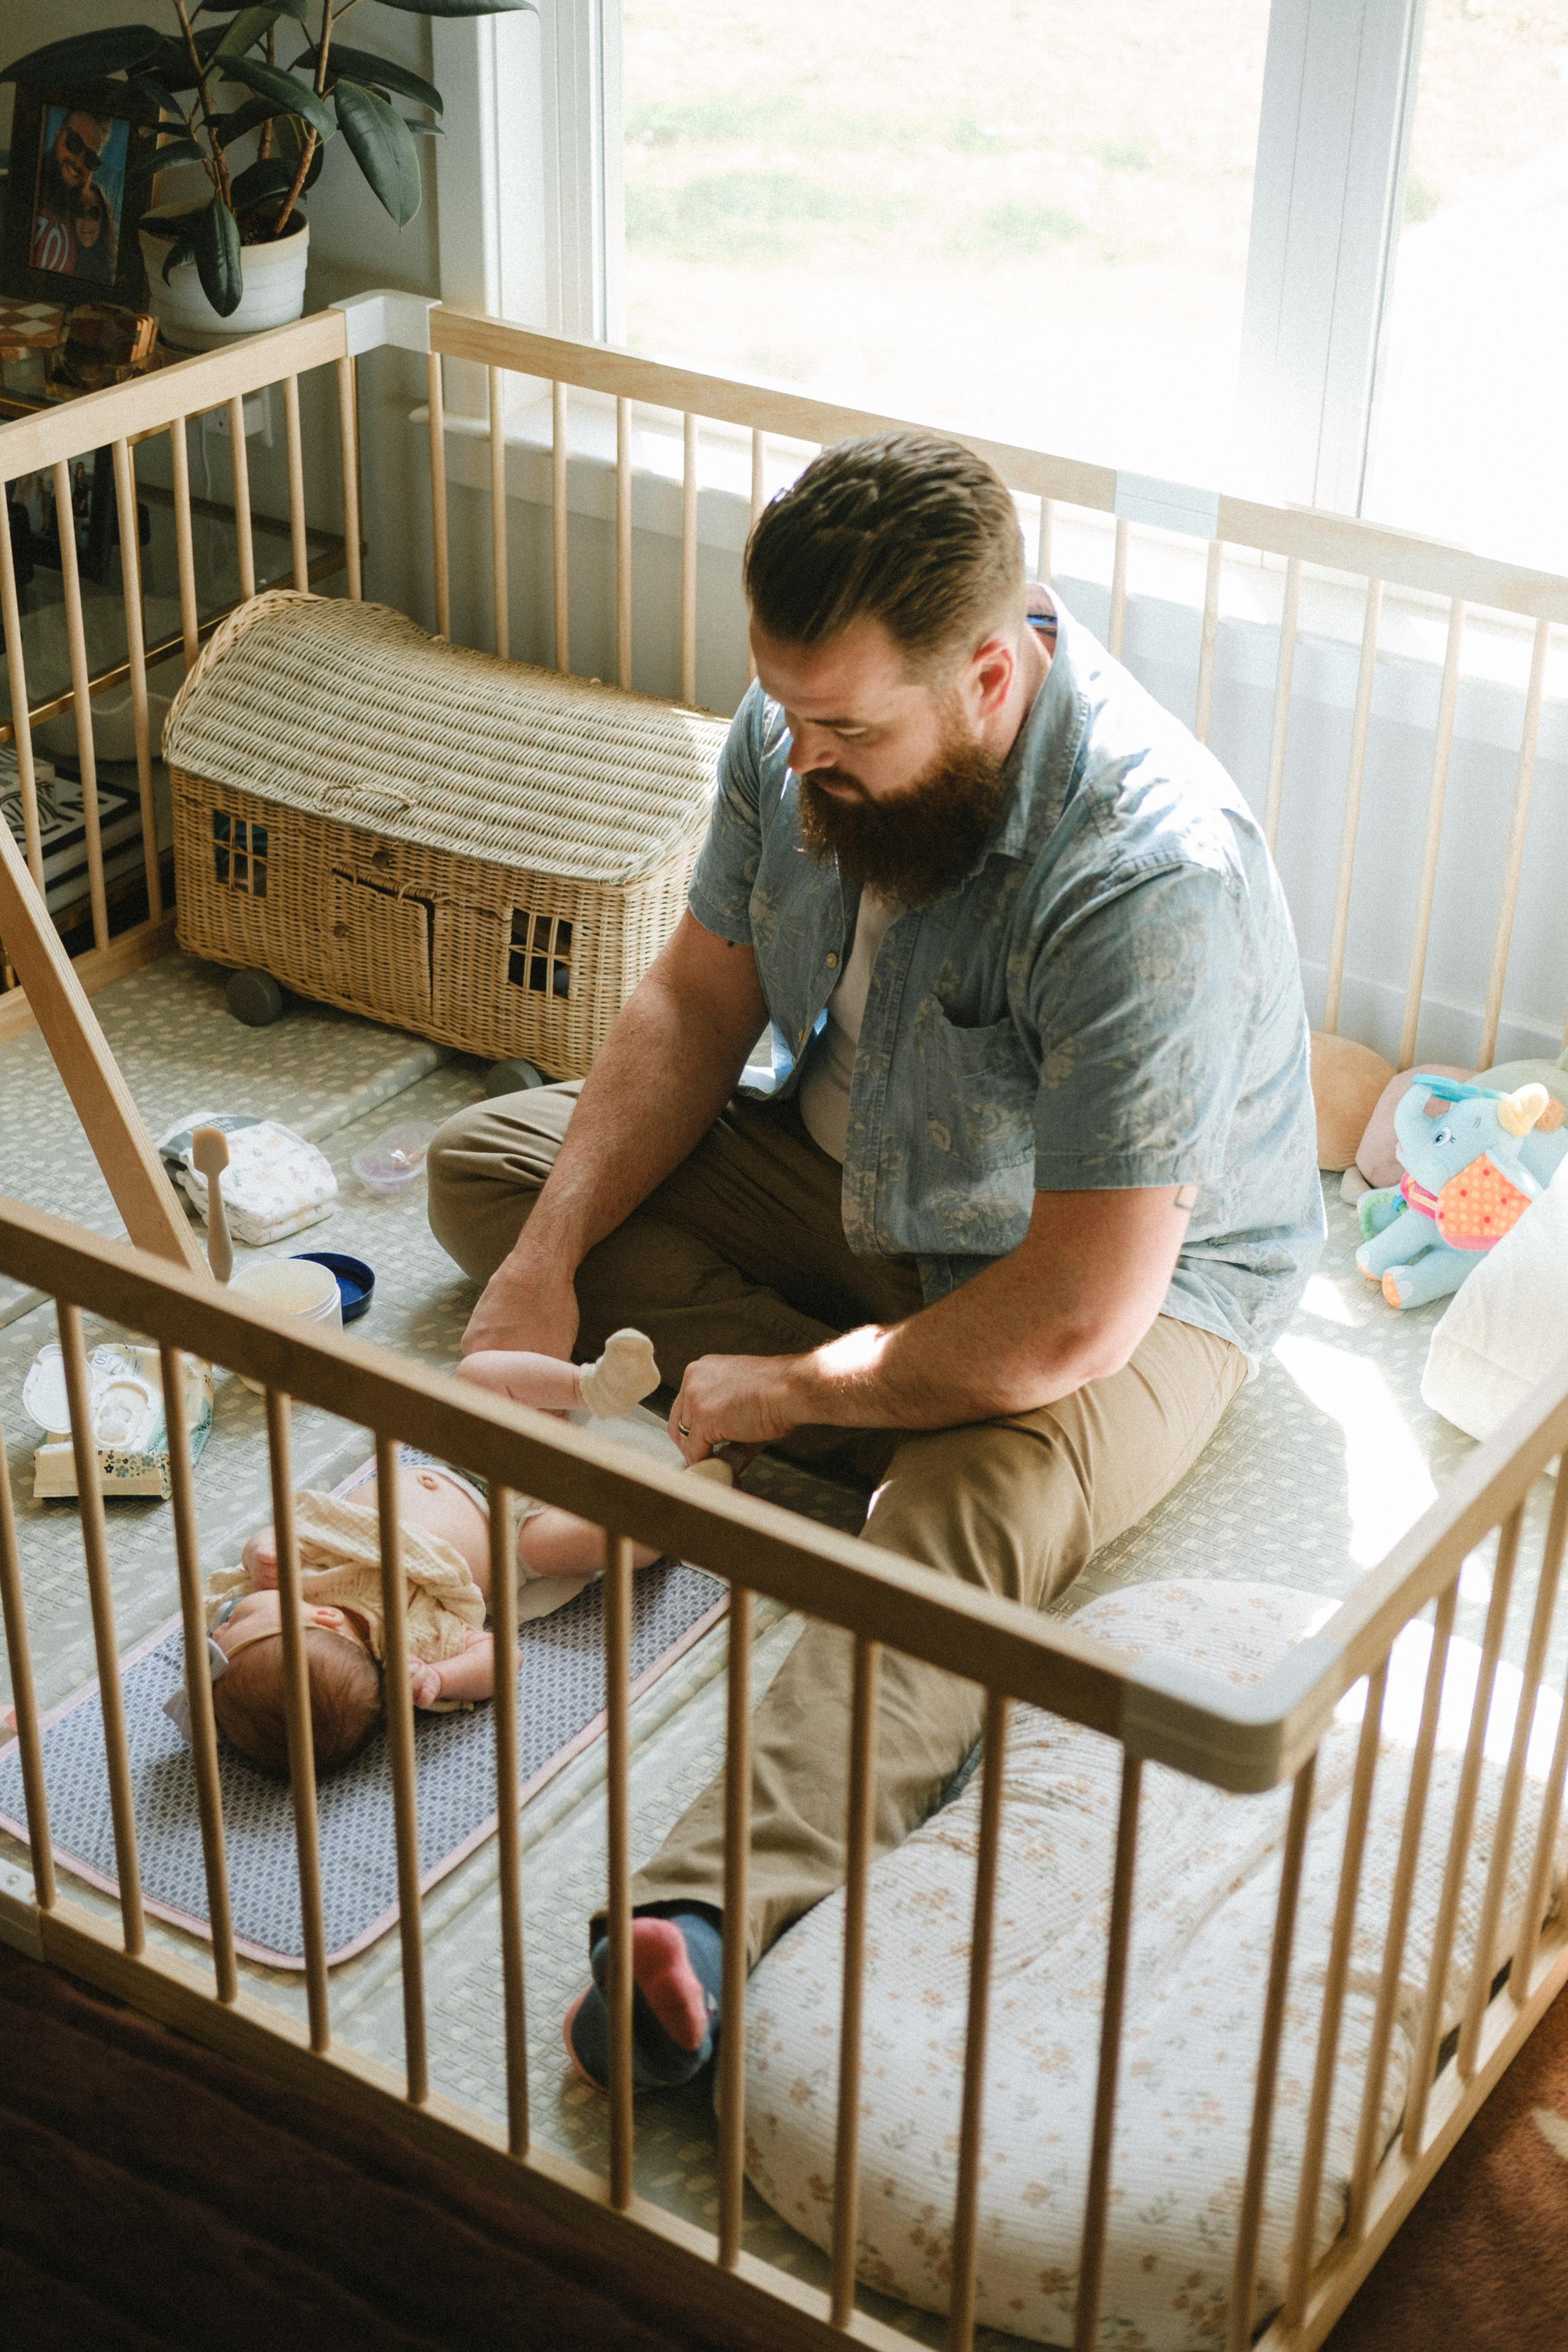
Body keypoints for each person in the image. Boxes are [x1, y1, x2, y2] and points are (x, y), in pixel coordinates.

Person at [424, 430, 1325, 2090]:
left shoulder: (1148, 874)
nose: (800, 753)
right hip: (852, 1186)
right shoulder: (803, 732)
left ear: (989, 675)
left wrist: (791, 1388)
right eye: (786, 710)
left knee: (964, 1504)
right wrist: (548, 1257)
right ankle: (877, 1432)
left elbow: (1073, 1317)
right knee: (490, 1174)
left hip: (1112, 1290)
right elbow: (699, 998)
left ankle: (696, 1921)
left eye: (844, 729)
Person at [183, 1332, 725, 1775]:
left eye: (224, 1624)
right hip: (515, 1536)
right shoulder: (410, 1645)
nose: (219, 1624)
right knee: (617, 1545)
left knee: (477, 1375)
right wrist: (443, 1679)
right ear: (321, 1619)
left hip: (462, 1463)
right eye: (233, 1626)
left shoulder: (289, 1574)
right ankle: (689, 1499)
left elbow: (283, 1532)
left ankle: (593, 1387)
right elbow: (502, 1660)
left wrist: (261, 1548)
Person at [30, 108, 111, 279]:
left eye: (90, 159)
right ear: (58, 135)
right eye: (75, 144)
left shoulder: (77, 221)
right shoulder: (23, 183)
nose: (79, 162)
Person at [70, 181, 117, 286]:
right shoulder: (62, 261)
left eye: (94, 213)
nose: (87, 220)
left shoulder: (114, 272)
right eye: (80, 211)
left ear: (103, 221)